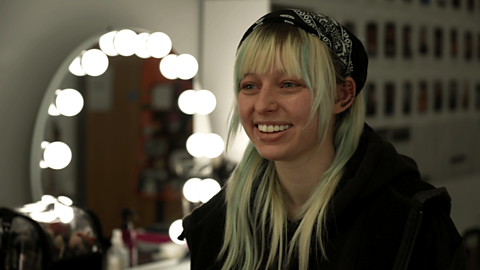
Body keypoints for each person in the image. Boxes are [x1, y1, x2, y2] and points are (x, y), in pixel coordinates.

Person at [179, 9, 466, 270]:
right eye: (249, 86)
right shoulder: (214, 225)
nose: (262, 104)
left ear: (342, 95)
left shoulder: (411, 221)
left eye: (288, 84)